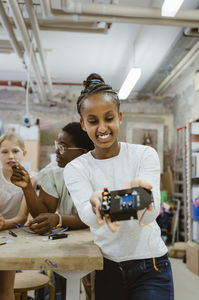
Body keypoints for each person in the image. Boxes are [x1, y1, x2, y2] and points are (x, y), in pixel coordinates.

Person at [63, 73, 174, 300]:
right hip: (108, 268)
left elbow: (151, 210)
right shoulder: (76, 168)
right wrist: (129, 198)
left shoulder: (144, 155)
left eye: (109, 118)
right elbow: (89, 217)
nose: (102, 127)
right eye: (93, 121)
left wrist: (105, 203)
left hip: (151, 266)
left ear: (119, 117)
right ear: (83, 124)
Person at [11, 122, 94, 300]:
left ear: (83, 153)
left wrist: (58, 219)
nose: (57, 151)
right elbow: (44, 214)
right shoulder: (53, 172)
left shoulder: (98, 172)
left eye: (63, 147)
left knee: (95, 289)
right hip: (68, 241)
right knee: (63, 289)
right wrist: (27, 188)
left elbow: (91, 216)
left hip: (97, 241)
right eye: (57, 145)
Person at [0, 132, 34, 300]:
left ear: (24, 153)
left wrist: (3, 224)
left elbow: (21, 218)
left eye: (15, 151)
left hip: (11, 238)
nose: (10, 156)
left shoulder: (31, 180)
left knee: (6, 291)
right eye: (4, 152)